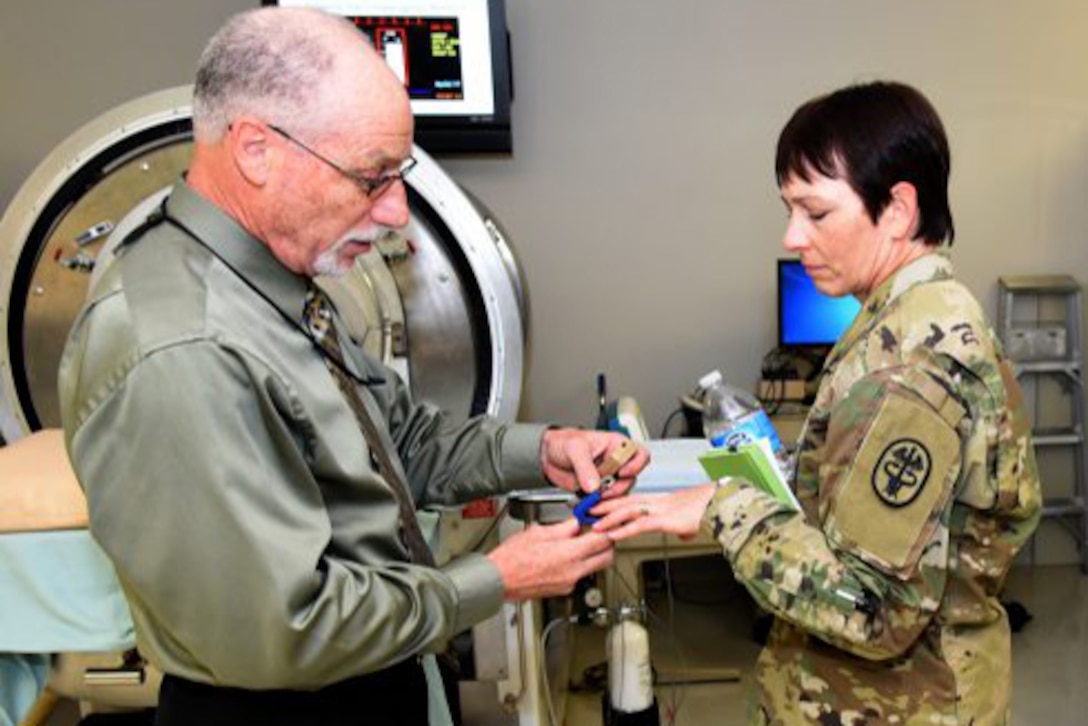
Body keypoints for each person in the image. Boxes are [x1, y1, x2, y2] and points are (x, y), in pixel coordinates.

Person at [57, 8, 647, 726]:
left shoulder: (273, 287)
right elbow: (282, 630)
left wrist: (545, 450)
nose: (396, 211)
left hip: (373, 679)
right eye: (372, 178)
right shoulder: (183, 349)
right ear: (255, 150)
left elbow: (398, 444)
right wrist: (496, 579)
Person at [594, 81, 1041, 725]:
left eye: (816, 213)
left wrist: (728, 511)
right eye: (789, 210)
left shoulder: (909, 362)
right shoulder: (910, 316)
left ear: (897, 210)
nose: (791, 237)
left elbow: (873, 607)